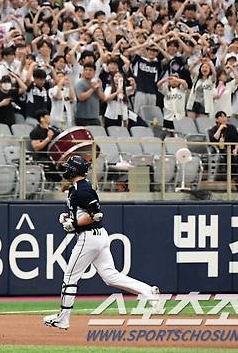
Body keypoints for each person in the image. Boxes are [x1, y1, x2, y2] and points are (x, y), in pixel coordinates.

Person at [43, 156, 159, 330]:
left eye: (69, 167)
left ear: (75, 170)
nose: (66, 169)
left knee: (69, 278)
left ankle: (63, 318)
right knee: (110, 276)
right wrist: (67, 217)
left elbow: (95, 215)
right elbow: (81, 211)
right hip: (98, 236)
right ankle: (148, 291)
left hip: (89, 238)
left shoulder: (83, 189)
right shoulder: (77, 188)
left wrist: (73, 224)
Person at [208, 111, 238, 181]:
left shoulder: (231, 128)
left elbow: (237, 140)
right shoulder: (213, 129)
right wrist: (220, 128)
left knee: (236, 156)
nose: (224, 118)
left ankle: (235, 177)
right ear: (216, 119)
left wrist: (236, 149)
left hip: (232, 148)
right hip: (220, 149)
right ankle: (231, 177)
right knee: (228, 154)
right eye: (221, 117)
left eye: (225, 116)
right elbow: (214, 139)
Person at [29, 109, 60, 182]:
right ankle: (58, 181)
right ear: (42, 118)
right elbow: (36, 147)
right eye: (48, 116)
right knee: (50, 163)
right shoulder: (35, 131)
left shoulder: (54, 130)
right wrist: (48, 138)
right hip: (42, 156)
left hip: (54, 155)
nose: (50, 117)